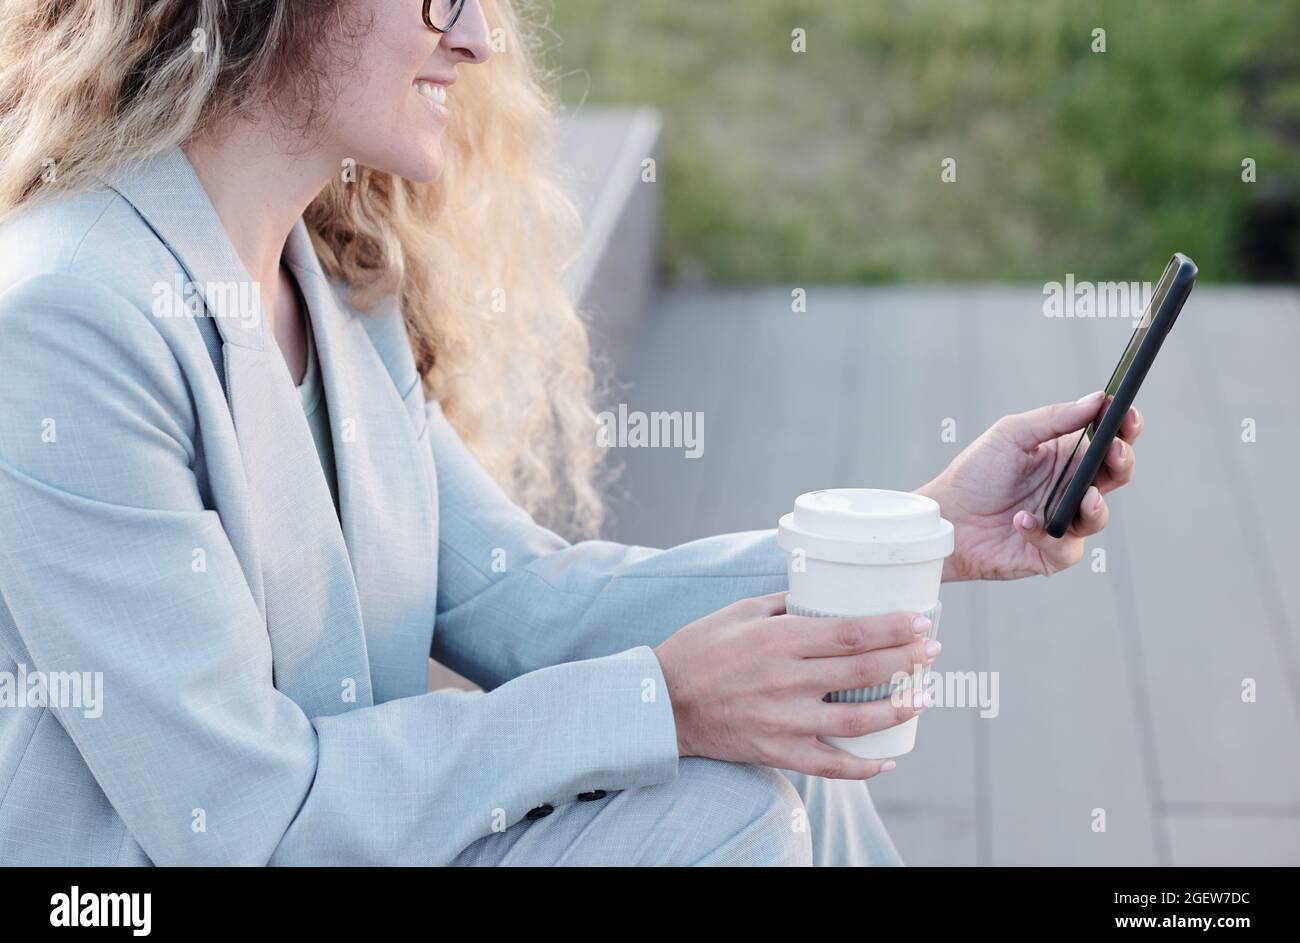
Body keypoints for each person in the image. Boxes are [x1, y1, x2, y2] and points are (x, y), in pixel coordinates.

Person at [0, 0, 1141, 866]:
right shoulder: (70, 314)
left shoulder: (327, 278)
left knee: (796, 746)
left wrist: (922, 532)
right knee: (725, 810)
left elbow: (523, 597)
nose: (482, 40)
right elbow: (241, 813)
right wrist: (663, 699)